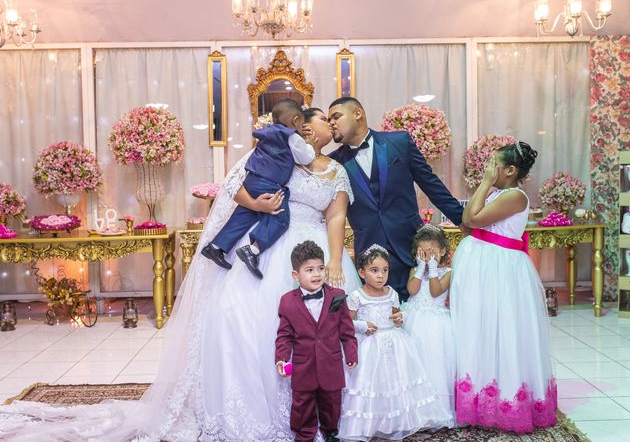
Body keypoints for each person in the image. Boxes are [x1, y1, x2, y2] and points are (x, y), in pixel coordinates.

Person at [0, 108, 360, 442]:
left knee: (327, 328)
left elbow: (335, 216)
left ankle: (324, 410)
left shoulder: (336, 170)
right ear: (306, 126)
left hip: (314, 250)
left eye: (332, 119)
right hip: (269, 242)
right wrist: (257, 204)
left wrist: (333, 259)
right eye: (323, 119)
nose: (329, 125)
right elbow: (236, 185)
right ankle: (256, 404)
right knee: (242, 320)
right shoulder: (280, 152)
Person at [450, 141, 557, 434]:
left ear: (509, 171)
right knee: (478, 328)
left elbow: (471, 218)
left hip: (500, 269)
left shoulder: (515, 196)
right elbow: (467, 224)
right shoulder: (497, 193)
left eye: (492, 165)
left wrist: (483, 185)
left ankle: (507, 399)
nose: (487, 170)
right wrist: (484, 189)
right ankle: (478, 397)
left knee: (503, 328)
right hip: (483, 264)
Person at [328, 97, 464, 301]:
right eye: (328, 119)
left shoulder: (399, 142)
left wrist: (463, 220)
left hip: (410, 245)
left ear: (358, 114)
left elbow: (430, 183)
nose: (331, 123)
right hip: (369, 252)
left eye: (336, 116)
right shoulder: (334, 162)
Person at [338, 245, 451, 441]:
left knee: (395, 382)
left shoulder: (391, 293)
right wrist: (362, 325)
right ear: (362, 272)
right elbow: (347, 323)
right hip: (369, 345)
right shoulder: (357, 296)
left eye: (384, 270)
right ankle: (371, 422)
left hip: (394, 343)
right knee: (373, 382)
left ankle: (398, 421)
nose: (380, 276)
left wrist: (400, 317)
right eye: (374, 271)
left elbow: (395, 316)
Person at [201, 98, 315, 279]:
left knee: (244, 214)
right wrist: (308, 143)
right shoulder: (292, 136)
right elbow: (305, 158)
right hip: (270, 183)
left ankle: (216, 247)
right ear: (295, 121)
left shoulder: (266, 134)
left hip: (252, 180)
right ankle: (253, 250)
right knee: (280, 217)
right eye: (302, 122)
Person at [275, 240, 358, 442]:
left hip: (331, 363)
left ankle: (330, 432)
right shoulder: (287, 301)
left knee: (332, 401)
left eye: (320, 268)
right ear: (296, 275)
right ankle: (304, 434)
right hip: (304, 366)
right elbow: (284, 335)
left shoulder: (337, 296)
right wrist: (281, 358)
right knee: (302, 403)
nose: (317, 274)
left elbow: (347, 331)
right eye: (309, 270)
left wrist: (351, 353)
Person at [401, 224, 456, 423]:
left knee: (434, 364)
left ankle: (437, 411)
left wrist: (432, 269)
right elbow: (412, 290)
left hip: (436, 325)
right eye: (422, 252)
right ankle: (415, 409)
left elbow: (435, 291)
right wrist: (420, 269)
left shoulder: (448, 272)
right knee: (415, 364)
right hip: (414, 321)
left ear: (442, 251)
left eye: (431, 252)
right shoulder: (414, 270)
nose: (426, 256)